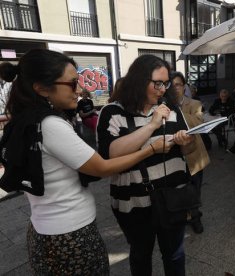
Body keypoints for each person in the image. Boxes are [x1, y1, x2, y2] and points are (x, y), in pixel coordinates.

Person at [0, 49, 173, 275]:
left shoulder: (25, 120)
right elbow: (101, 166)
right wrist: (151, 149)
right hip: (69, 235)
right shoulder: (51, 125)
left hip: (44, 227)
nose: (80, 89)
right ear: (41, 88)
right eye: (72, 84)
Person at [97, 55, 195, 276]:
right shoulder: (113, 112)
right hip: (134, 203)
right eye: (157, 83)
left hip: (173, 197)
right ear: (139, 81)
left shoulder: (172, 109)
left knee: (175, 254)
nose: (162, 89)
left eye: (166, 83)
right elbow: (110, 155)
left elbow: (187, 153)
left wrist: (185, 142)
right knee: (141, 254)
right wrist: (151, 125)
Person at [169, 71, 210, 234]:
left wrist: (175, 110)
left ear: (184, 86)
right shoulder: (161, 105)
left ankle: (195, 218)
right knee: (179, 189)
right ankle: (184, 215)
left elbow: (196, 124)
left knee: (194, 188)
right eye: (171, 85)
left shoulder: (194, 104)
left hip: (193, 155)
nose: (175, 88)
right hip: (173, 156)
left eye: (178, 84)